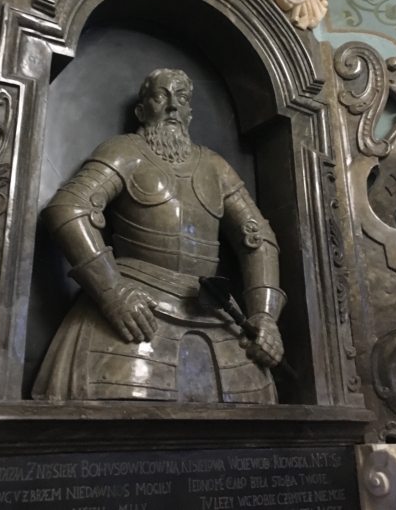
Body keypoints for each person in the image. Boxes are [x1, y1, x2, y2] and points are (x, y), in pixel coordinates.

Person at [33, 69, 286, 403]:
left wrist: (265, 317)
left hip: (213, 313)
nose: (172, 107)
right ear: (142, 111)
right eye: (160, 96)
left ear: (190, 113)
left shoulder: (216, 167)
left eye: (181, 98)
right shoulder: (125, 151)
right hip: (137, 311)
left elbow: (257, 238)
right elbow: (68, 208)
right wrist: (112, 291)